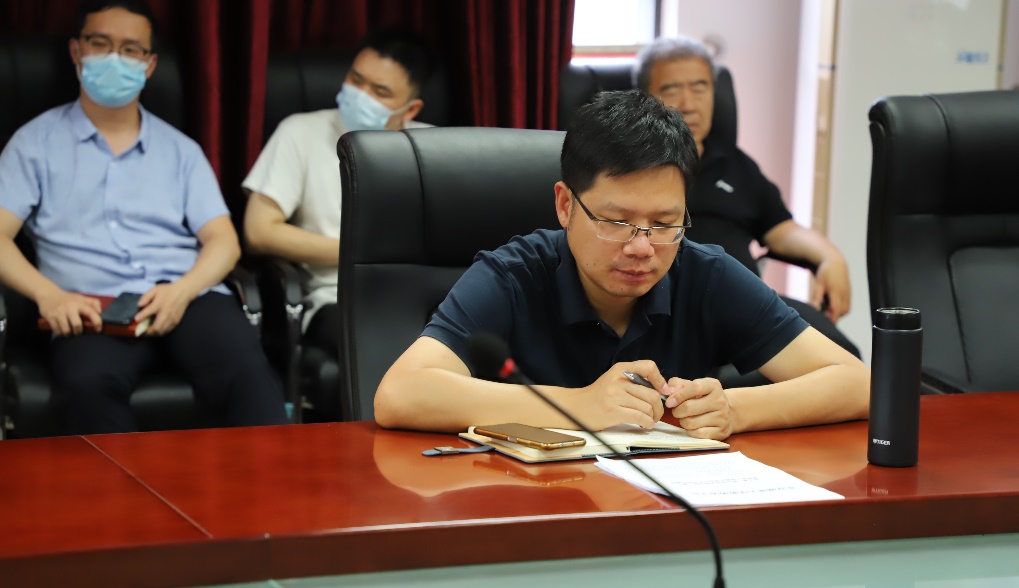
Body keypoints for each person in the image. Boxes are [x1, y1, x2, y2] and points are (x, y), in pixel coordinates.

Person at [374, 90, 869, 439]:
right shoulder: (514, 275)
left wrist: (734, 409)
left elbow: (858, 383)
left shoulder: (705, 273)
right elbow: (400, 393)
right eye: (616, 221)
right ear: (565, 205)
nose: (642, 247)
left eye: (665, 223)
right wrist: (581, 405)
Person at [0, 0, 289, 434]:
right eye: (101, 43)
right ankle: (124, 485)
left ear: (150, 65)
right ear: (77, 51)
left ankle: (273, 480)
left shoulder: (181, 151)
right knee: (88, 384)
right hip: (90, 308)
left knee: (249, 373)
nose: (115, 58)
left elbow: (223, 240)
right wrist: (49, 296)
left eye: (131, 49)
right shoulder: (33, 143)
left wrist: (183, 290)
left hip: (185, 296)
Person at [634, 36, 855, 341]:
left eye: (699, 88)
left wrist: (831, 257)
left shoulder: (735, 163)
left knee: (839, 350)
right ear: (645, 98)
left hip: (746, 308)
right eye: (671, 89)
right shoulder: (630, 169)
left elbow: (781, 229)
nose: (689, 104)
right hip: (666, 311)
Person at [242, 27, 434, 355]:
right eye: (356, 80)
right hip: (337, 297)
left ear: (411, 109)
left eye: (380, 92)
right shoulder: (300, 132)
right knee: (395, 350)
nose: (361, 95)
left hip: (424, 297)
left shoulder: (434, 148)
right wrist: (358, 252)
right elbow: (258, 231)